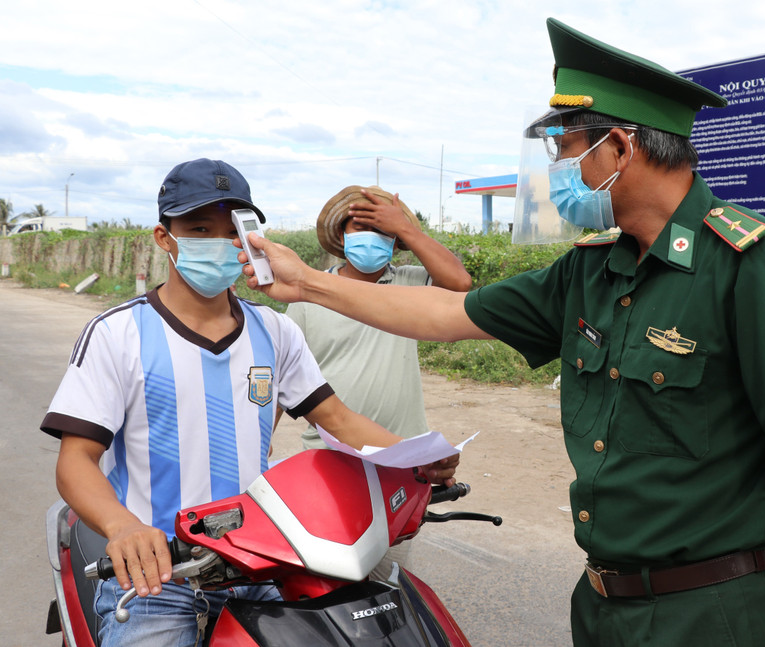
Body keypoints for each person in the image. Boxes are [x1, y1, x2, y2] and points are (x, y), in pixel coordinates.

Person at [237, 18, 765, 647]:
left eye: (566, 149)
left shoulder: (751, 265)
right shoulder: (591, 270)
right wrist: (306, 283)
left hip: (714, 614)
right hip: (601, 606)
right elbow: (447, 315)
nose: (556, 171)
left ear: (620, 149)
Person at [40, 158, 457, 647]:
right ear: (164, 237)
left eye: (230, 230)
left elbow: (338, 418)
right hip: (159, 576)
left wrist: (418, 459)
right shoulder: (117, 333)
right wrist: (123, 527)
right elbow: (75, 461)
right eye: (199, 228)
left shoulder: (274, 330)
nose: (219, 243)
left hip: (259, 562)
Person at [285, 185, 471, 580]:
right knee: (330, 578)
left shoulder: (410, 283)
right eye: (361, 227)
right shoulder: (307, 296)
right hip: (331, 462)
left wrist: (409, 229)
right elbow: (285, 376)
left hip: (402, 459)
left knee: (387, 582)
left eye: (383, 232)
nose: (372, 239)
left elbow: (459, 285)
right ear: (341, 235)